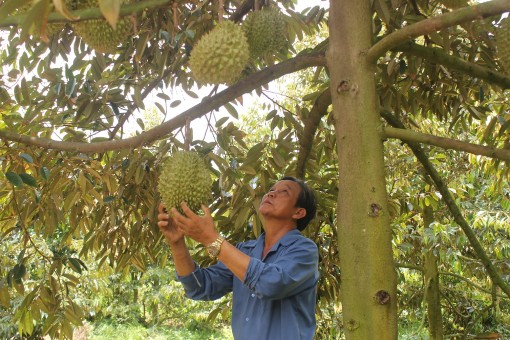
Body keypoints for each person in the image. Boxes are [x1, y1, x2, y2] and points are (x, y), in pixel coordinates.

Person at [157, 176, 319, 340]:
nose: (271, 194)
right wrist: (177, 243)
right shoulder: (245, 251)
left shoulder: (304, 250)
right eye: (271, 190)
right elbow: (199, 287)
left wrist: (211, 239)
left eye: (284, 191)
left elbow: (271, 283)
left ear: (299, 212)